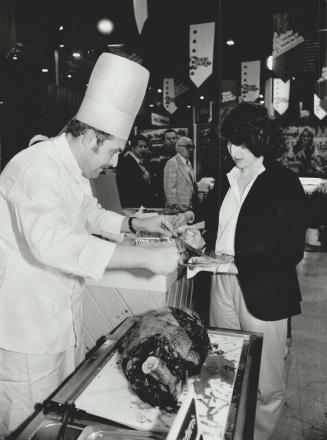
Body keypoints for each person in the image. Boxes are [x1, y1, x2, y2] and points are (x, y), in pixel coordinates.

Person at [0, 53, 182, 437]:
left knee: (58, 421)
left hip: (61, 324)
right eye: (113, 150)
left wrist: (134, 222)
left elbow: (90, 214)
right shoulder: (35, 168)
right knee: (28, 429)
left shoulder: (73, 171)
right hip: (28, 335)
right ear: (88, 137)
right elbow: (51, 243)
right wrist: (145, 258)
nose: (116, 161)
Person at [186, 103, 307, 439]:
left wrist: (233, 263)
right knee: (221, 369)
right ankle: (224, 433)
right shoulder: (226, 181)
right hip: (221, 286)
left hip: (264, 289)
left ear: (260, 139)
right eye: (229, 142)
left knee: (266, 383)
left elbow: (291, 250)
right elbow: (220, 229)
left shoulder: (282, 181)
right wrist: (199, 235)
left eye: (241, 143)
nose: (233, 150)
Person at [116, 134, 155, 208]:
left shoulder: (139, 161)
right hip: (133, 204)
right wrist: (143, 180)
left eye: (145, 147)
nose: (143, 149)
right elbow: (126, 185)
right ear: (133, 147)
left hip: (140, 204)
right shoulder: (126, 162)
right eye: (140, 146)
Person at [163, 136, 199, 213]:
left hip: (189, 208)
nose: (190, 150)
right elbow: (169, 188)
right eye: (187, 147)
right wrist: (174, 207)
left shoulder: (188, 163)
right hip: (178, 210)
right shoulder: (172, 162)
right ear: (178, 148)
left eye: (192, 147)